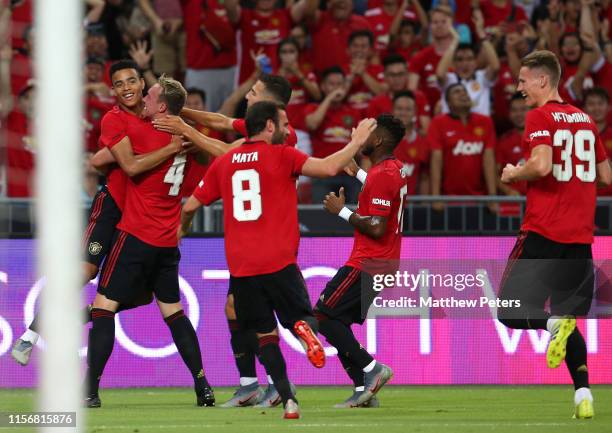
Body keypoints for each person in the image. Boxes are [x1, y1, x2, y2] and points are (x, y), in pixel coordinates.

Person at [179, 101, 378, 418]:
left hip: (242, 268)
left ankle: (288, 400)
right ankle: (302, 327)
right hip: (279, 262)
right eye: (283, 124)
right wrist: (355, 142)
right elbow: (328, 167)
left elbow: (189, 206)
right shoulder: (283, 155)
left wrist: (183, 231)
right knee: (303, 318)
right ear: (269, 126)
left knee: (265, 336)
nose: (287, 130)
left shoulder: (226, 161)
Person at [10, 60, 182, 366]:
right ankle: (31, 335)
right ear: (112, 90)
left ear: (143, 85)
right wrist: (163, 150)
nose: (126, 88)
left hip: (143, 218)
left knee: (142, 296)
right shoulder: (114, 119)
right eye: (119, 84)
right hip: (113, 206)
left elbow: (102, 159)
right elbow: (114, 163)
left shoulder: (158, 115)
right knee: (84, 272)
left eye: (131, 81)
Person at [153, 74, 296, 408]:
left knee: (269, 315)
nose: (248, 95)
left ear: (270, 104)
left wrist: (184, 130)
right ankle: (250, 384)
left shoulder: (278, 137)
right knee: (235, 307)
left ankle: (279, 384)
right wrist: (181, 113)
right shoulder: (260, 124)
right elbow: (218, 121)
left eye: (255, 92)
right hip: (250, 239)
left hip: (270, 239)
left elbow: (226, 154)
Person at [85, 76, 215, 409]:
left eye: (150, 96)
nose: (143, 98)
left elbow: (101, 161)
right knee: (173, 312)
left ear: (162, 108)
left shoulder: (141, 131)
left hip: (135, 235)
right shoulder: (191, 141)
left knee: (102, 309)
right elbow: (208, 158)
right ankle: (203, 385)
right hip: (168, 242)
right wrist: (187, 136)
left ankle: (90, 390)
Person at [499, 50, 611, 420]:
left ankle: (551, 325)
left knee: (509, 310)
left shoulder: (539, 116)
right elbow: (607, 177)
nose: (519, 88)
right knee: (567, 320)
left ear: (542, 80)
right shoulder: (585, 120)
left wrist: (514, 173)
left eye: (522, 80)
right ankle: (584, 396)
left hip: (543, 232)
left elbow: (542, 164)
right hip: (580, 238)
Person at [315, 114, 406, 408]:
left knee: (324, 316)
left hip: (370, 261)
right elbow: (383, 193)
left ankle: (372, 370)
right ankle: (362, 390)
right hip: (383, 262)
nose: (359, 134)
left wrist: (341, 211)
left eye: (367, 131)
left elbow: (378, 227)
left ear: (377, 140)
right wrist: (357, 174)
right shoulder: (392, 170)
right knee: (336, 319)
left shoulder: (383, 174)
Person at [428, 83, 498, 212]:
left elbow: (489, 160)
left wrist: (492, 197)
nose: (463, 94)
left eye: (465, 91)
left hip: (480, 201)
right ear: (448, 103)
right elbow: (436, 162)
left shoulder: (485, 121)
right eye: (456, 92)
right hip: (448, 201)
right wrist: (436, 197)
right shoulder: (438, 123)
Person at [304, 66, 362, 203]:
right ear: (323, 87)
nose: (336, 88)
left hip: (349, 175)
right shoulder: (312, 108)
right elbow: (312, 124)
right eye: (332, 84)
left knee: (352, 217)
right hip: (322, 174)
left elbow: (360, 145)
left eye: (339, 84)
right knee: (321, 218)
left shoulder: (354, 112)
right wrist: (329, 98)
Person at [435, 11, 500, 116]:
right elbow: (440, 74)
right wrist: (455, 41)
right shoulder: (449, 80)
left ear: (475, 62)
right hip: (453, 129)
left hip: (479, 129)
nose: (465, 64)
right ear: (453, 64)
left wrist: (481, 33)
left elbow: (495, 66)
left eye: (469, 59)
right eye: (460, 59)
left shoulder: (482, 77)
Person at [391, 91, 429, 195]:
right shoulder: (380, 140)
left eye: (408, 109)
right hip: (383, 206)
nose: (403, 113)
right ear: (392, 110)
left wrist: (424, 206)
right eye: (399, 109)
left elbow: (424, 178)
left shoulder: (423, 142)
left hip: (411, 206)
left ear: (415, 112)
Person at [497, 93, 529, 197]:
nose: (518, 114)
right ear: (509, 114)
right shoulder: (503, 141)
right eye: (514, 110)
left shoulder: (544, 137)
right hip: (513, 204)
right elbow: (494, 175)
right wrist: (508, 191)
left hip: (540, 202)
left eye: (523, 109)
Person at [583, 87, 612, 195]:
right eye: (591, 104)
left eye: (600, 104)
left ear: (608, 107)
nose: (596, 108)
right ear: (584, 108)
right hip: (584, 198)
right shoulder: (574, 136)